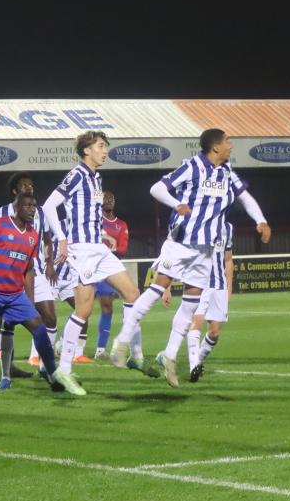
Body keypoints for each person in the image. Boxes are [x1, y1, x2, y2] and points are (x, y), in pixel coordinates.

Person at [108, 128, 271, 369]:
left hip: (205, 249)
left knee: (191, 303)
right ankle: (121, 342)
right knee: (155, 290)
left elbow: (245, 198)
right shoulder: (192, 166)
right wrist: (177, 204)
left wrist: (261, 220)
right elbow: (157, 188)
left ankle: (170, 356)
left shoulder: (227, 172)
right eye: (227, 142)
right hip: (181, 242)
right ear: (215, 147)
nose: (231, 146)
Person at [42, 131, 156, 384]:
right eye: (101, 146)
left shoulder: (96, 178)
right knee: (84, 309)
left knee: (132, 294)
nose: (105, 151)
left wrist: (104, 234)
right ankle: (63, 370)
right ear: (86, 151)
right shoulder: (77, 175)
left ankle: (133, 354)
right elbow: (49, 206)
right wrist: (61, 237)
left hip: (97, 247)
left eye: (106, 146)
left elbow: (88, 214)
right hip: (81, 250)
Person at [0, 192, 78, 397]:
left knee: (39, 329)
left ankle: (52, 376)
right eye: (27, 206)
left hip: (14, 294)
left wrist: (28, 300)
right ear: (16, 208)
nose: (32, 209)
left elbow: (28, 268)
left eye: (34, 205)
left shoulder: (32, 235)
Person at [0, 173, 54, 377]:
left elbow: (47, 239)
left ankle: (44, 364)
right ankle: (9, 368)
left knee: (50, 318)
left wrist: (50, 262)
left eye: (31, 185)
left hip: (37, 271)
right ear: (15, 191)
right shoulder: (0, 212)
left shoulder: (41, 212)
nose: (29, 187)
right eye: (24, 185)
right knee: (7, 322)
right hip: (8, 275)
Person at [158, 219, 234, 387]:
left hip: (219, 286)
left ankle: (197, 360)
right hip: (199, 282)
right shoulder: (197, 223)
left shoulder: (228, 228)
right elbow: (174, 255)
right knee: (196, 322)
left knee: (214, 332)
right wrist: (167, 288)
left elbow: (228, 259)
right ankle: (194, 367)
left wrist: (229, 287)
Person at [91, 190, 129, 361]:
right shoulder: (94, 221)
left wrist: (106, 247)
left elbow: (122, 248)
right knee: (82, 308)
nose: (108, 201)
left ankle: (100, 350)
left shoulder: (121, 224)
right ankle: (64, 342)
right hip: (91, 266)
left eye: (111, 199)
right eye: (105, 198)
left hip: (107, 269)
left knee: (107, 305)